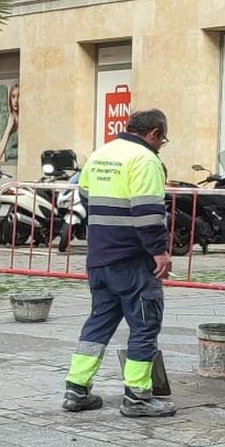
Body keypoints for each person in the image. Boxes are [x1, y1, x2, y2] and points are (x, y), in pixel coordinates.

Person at [63, 109, 176, 418]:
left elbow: (85, 196)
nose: (160, 144)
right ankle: (138, 398)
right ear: (154, 133)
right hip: (133, 260)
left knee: (99, 321)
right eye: (162, 139)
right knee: (144, 326)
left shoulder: (100, 155)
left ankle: (76, 389)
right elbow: (149, 212)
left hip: (100, 257)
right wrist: (159, 252)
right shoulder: (145, 160)